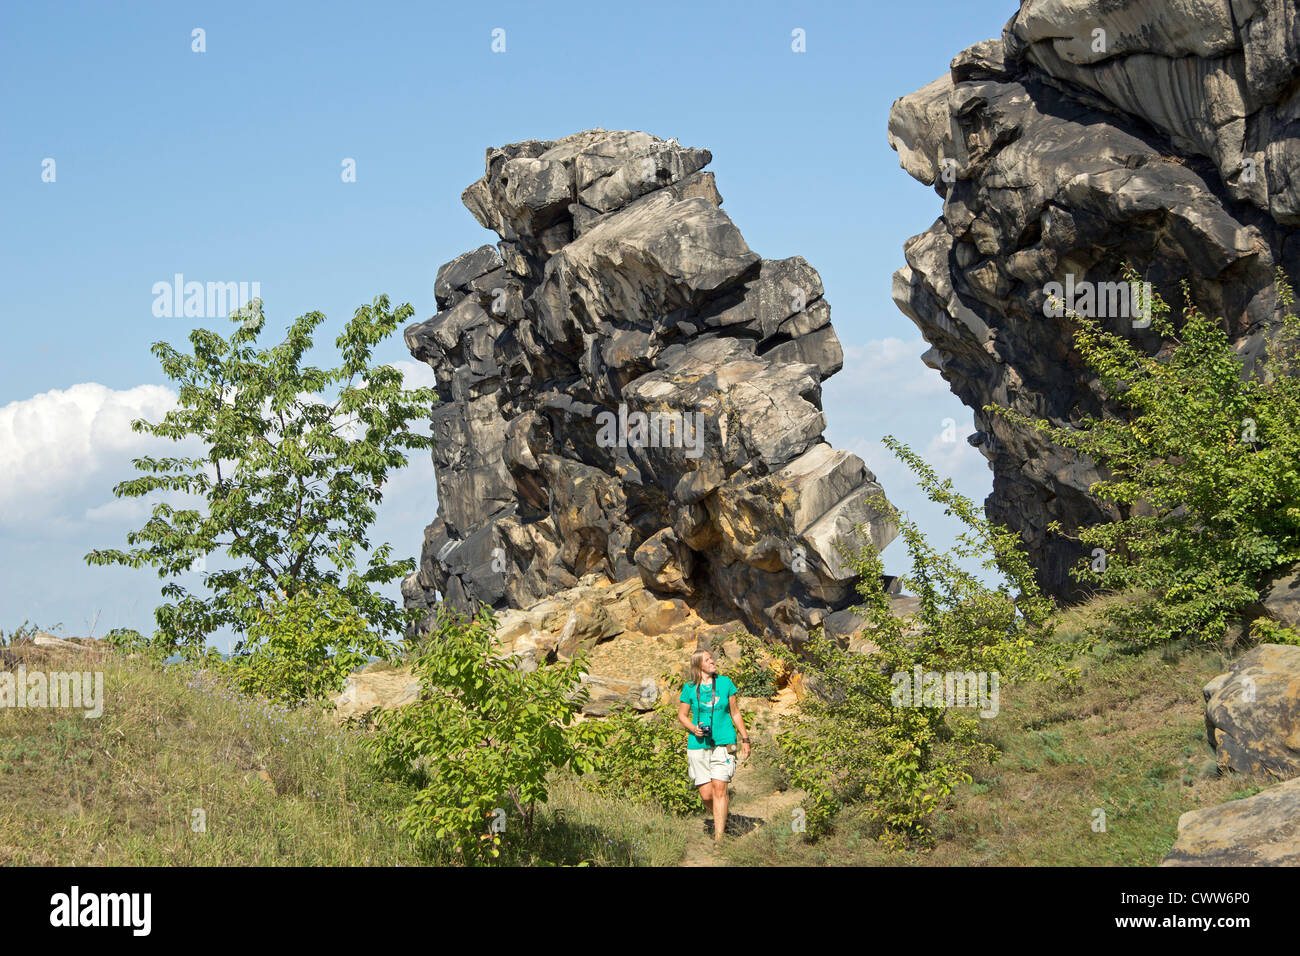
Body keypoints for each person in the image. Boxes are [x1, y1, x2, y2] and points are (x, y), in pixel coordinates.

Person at [677, 648, 751, 846]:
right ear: (698, 665)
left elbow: (735, 713)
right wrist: (694, 729)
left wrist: (745, 738)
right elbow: (682, 715)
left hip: (724, 742)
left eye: (712, 658)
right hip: (698, 744)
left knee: (720, 789)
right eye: (708, 659)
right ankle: (722, 817)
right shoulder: (690, 687)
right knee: (707, 794)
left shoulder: (726, 683)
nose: (712, 661)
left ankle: (719, 839)